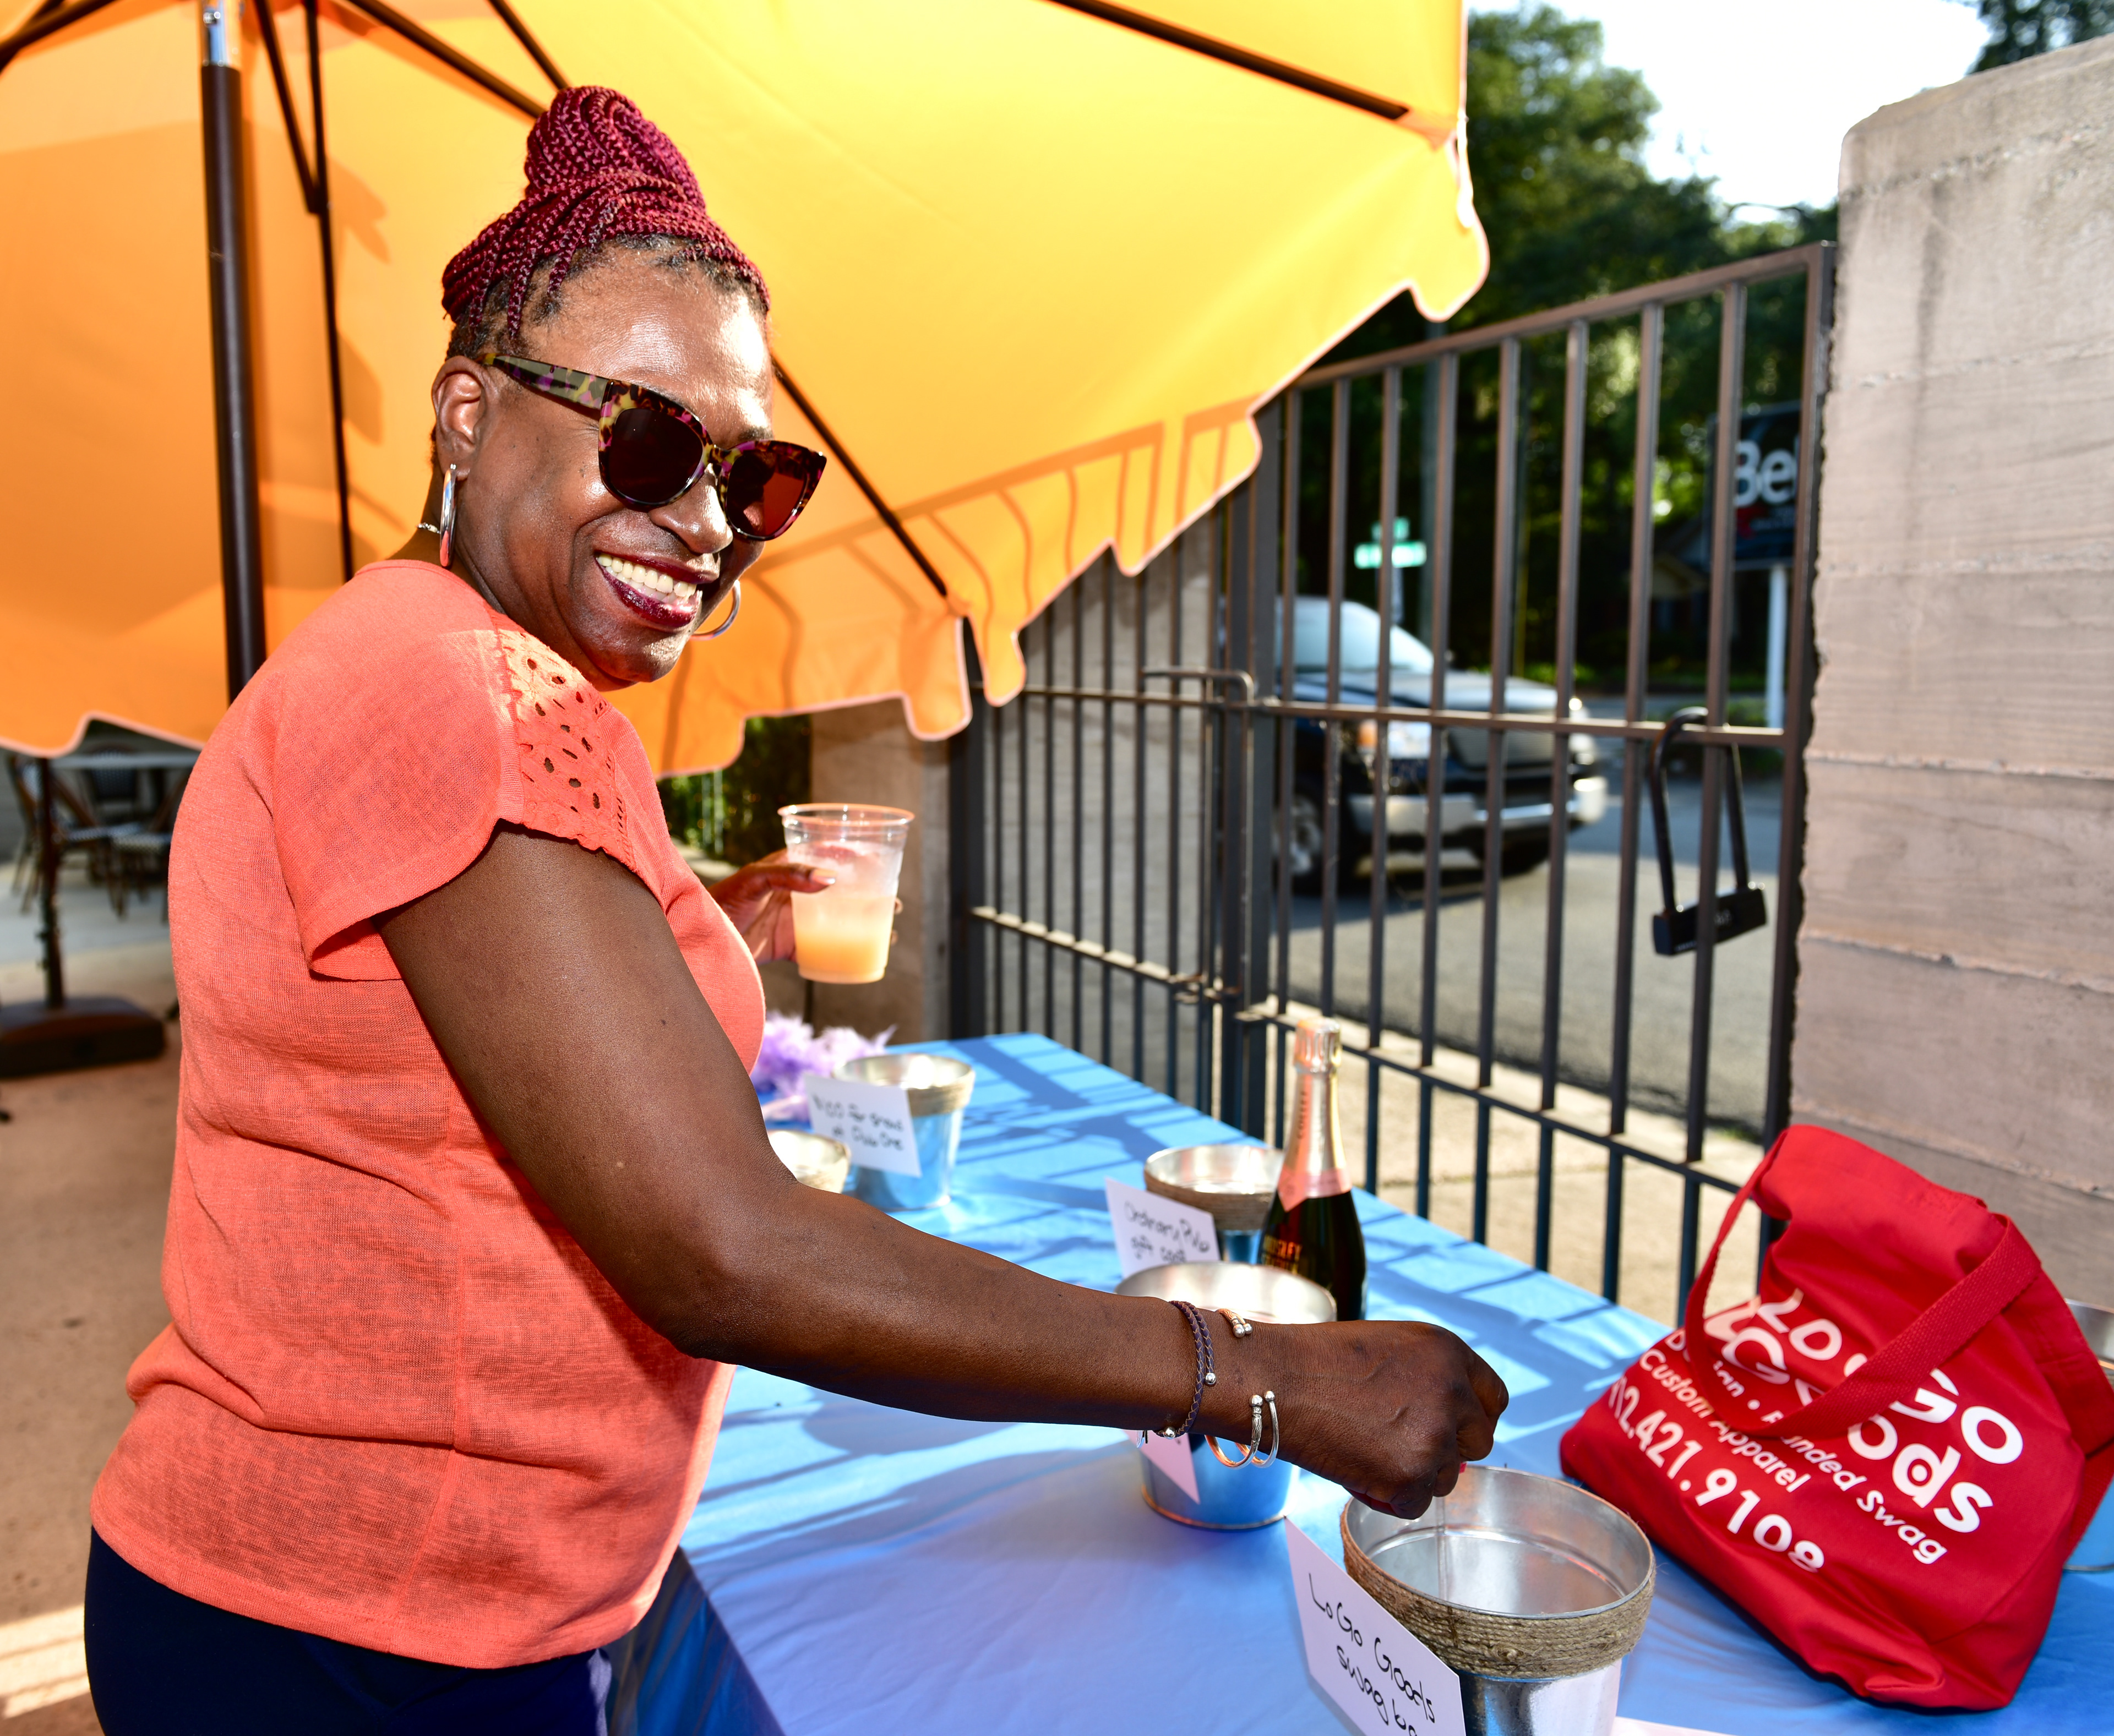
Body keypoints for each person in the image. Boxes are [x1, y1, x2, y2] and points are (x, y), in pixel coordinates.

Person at [81, 86, 1506, 1734]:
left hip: (368, 1597)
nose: (705, 519)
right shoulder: (461, 687)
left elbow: (439, 1031)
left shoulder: (414, 662)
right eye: (647, 439)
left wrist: (696, 919)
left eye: (752, 474)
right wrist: (1256, 1376)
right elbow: (723, 1244)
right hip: (363, 1639)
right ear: (468, 415)